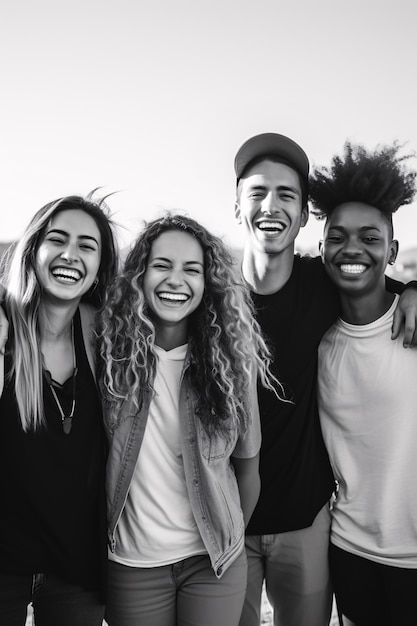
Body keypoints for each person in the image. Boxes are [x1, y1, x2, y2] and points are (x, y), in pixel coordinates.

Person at [233, 133, 417, 626]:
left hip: (312, 523)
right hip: (235, 523)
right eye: (257, 192)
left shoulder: (329, 289)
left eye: (287, 194)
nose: (272, 205)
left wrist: (415, 289)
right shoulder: (211, 297)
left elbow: (372, 277)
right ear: (236, 207)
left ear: (300, 216)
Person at [98, 213, 283, 626]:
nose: (175, 280)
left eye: (191, 270)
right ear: (138, 275)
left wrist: (226, 539)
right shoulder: (109, 353)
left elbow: (248, 472)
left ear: (208, 283)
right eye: (161, 265)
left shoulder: (233, 363)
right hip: (132, 564)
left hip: (212, 565)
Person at [311, 142, 417, 626]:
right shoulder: (318, 341)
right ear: (322, 249)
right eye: (338, 237)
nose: (352, 249)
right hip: (351, 550)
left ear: (391, 251)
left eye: (370, 238)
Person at [0, 193, 118, 626]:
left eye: (87, 245)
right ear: (34, 250)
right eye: (58, 239)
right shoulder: (3, 327)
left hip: (76, 565)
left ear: (100, 266)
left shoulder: (105, 338)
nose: (71, 254)